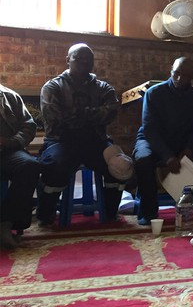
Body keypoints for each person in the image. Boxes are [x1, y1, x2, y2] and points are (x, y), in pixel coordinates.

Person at [38, 43, 132, 226]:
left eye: (88, 60)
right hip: (61, 141)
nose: (83, 63)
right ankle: (45, 214)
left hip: (95, 141)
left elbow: (111, 112)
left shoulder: (103, 87)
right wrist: (93, 114)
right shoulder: (52, 87)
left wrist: (75, 113)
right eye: (78, 59)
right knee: (55, 166)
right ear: (67, 60)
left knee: (120, 165)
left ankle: (111, 212)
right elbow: (55, 118)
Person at [133, 57, 193, 225]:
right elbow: (150, 129)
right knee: (143, 159)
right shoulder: (154, 93)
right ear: (171, 70)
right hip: (152, 141)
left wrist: (189, 148)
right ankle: (148, 213)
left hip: (182, 143)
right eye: (176, 73)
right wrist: (168, 156)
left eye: (184, 75)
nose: (178, 78)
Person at [0, 83, 40, 248]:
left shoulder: (9, 96)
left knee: (29, 165)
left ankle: (7, 223)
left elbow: (29, 126)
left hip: (7, 150)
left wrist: (10, 142)